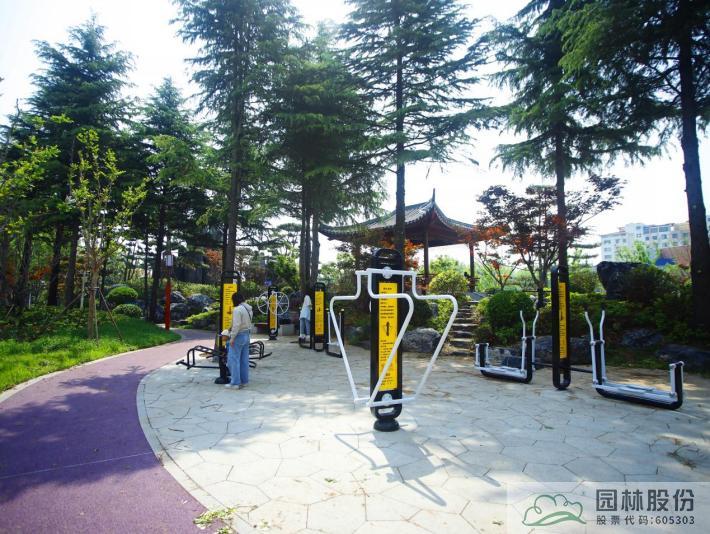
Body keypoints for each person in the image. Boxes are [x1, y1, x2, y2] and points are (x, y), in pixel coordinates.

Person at [226, 292, 252, 389]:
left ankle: (235, 383)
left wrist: (232, 338)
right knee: (244, 360)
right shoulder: (249, 309)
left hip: (239, 336)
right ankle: (244, 381)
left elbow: (237, 325)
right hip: (247, 335)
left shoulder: (237, 309)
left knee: (233, 359)